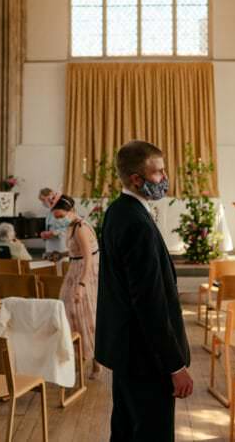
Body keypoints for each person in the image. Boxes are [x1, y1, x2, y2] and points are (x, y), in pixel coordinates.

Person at [96, 140, 191, 442]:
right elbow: (149, 303)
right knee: (152, 432)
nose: (165, 178)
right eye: (159, 172)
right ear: (136, 179)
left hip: (127, 350)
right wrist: (174, 365)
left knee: (126, 429)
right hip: (146, 357)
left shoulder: (118, 211)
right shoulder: (134, 221)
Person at [51, 195, 101, 377]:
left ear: (68, 210)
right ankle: (78, 356)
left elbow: (88, 258)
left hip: (85, 272)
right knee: (67, 311)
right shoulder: (71, 226)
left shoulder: (80, 227)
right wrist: (61, 254)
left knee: (86, 314)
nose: (57, 218)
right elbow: (77, 250)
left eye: (58, 215)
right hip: (74, 267)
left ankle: (96, 360)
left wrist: (82, 284)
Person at [39, 187, 70, 262]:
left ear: (51, 196)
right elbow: (49, 228)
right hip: (50, 247)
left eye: (44, 200)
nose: (43, 203)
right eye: (41, 201)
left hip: (61, 247)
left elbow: (69, 227)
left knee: (62, 269)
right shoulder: (49, 212)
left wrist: (54, 233)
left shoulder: (62, 210)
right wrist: (45, 234)